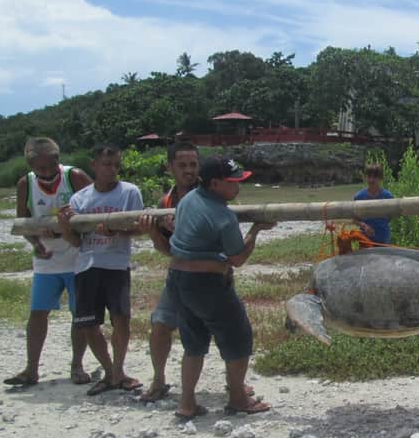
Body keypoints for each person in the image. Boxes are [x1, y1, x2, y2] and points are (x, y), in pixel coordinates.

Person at [166, 156, 273, 420]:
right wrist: (256, 230)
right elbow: (237, 258)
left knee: (193, 344)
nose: (238, 187)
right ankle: (237, 399)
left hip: (177, 279)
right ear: (215, 184)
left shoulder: (188, 199)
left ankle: (187, 403)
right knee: (238, 339)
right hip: (208, 283)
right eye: (233, 182)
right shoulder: (223, 216)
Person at [4, 137, 94, 387]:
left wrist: (72, 223)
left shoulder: (73, 176)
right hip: (47, 261)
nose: (45, 173)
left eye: (49, 167)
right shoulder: (26, 184)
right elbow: (23, 221)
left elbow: (95, 207)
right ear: (30, 164)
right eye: (39, 169)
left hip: (77, 258)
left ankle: (77, 366)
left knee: (80, 315)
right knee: (37, 314)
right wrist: (36, 243)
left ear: (58, 160)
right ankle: (31, 369)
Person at [57, 144, 145, 396]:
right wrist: (65, 226)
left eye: (116, 164)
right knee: (88, 324)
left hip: (116, 263)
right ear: (93, 165)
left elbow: (140, 228)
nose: (112, 170)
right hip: (86, 266)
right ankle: (109, 372)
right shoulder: (79, 199)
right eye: (106, 164)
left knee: (121, 319)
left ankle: (118, 370)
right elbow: (76, 241)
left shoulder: (129, 192)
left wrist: (117, 231)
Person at [138, 141, 199, 402]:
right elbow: (167, 250)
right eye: (183, 165)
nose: (189, 170)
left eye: (193, 164)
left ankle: (235, 384)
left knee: (224, 331)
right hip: (177, 275)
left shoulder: (210, 195)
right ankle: (158, 380)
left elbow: (219, 243)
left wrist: (181, 233)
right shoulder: (166, 201)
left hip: (210, 275)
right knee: (161, 325)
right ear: (170, 167)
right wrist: (153, 231)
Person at [352, 163, 394, 246]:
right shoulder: (359, 196)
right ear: (365, 178)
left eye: (374, 177)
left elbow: (390, 217)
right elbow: (354, 219)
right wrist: (364, 226)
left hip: (383, 238)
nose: (371, 180)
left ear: (380, 178)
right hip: (365, 238)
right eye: (369, 176)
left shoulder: (388, 196)